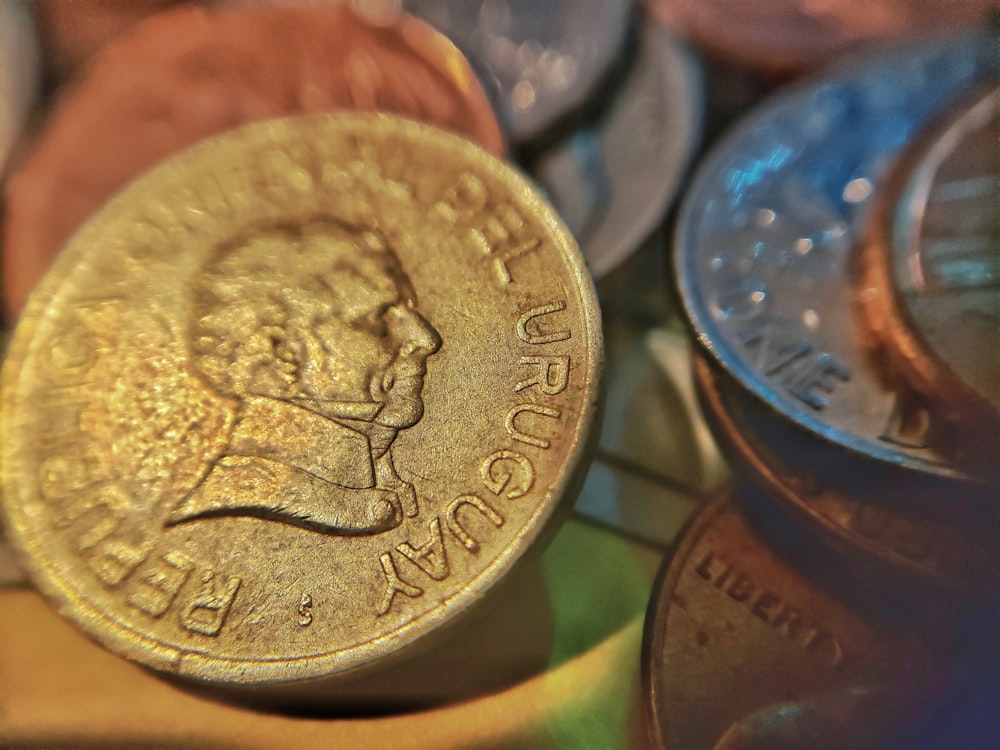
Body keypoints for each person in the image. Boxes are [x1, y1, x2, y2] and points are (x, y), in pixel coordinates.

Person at [168, 219, 441, 535]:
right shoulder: (232, 513)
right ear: (280, 350)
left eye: (407, 310)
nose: (426, 339)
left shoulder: (367, 479)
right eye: (377, 319)